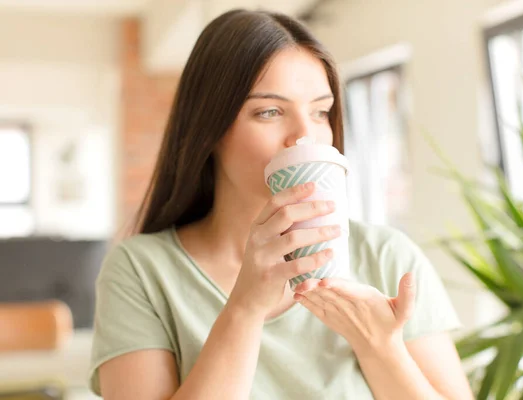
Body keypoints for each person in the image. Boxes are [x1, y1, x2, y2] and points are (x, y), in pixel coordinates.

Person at [89, 8, 473, 400]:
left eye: (321, 111)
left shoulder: (386, 256)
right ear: (210, 129)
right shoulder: (141, 271)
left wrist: (380, 347)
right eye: (269, 112)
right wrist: (245, 309)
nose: (304, 135)